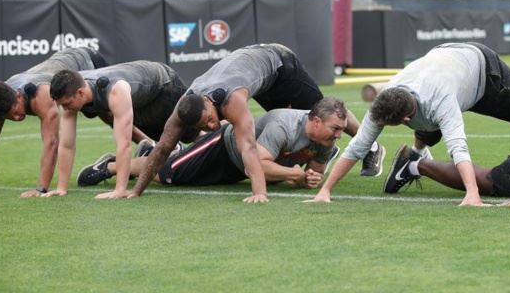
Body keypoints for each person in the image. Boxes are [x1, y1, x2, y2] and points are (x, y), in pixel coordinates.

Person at [309, 42, 510, 206]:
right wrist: (325, 191)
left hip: (484, 73)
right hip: (444, 61)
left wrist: (472, 193)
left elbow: (458, 147)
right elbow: (357, 147)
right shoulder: (386, 99)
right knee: (429, 125)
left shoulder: (440, 100)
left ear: (405, 120)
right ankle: (415, 158)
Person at [130, 43, 384, 204]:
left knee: (325, 112)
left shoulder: (232, 100)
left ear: (209, 104)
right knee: (300, 128)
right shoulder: (183, 109)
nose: (211, 126)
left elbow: (250, 147)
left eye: (209, 120)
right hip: (256, 77)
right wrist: (134, 192)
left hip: (278, 64)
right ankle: (122, 165)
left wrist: (259, 192)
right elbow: (163, 146)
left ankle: (370, 147)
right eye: (204, 126)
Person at [76, 98, 346, 195]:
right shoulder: (283, 125)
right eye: (335, 129)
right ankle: (110, 166)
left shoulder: (325, 140)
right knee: (167, 175)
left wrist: (305, 180)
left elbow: (311, 177)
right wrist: (295, 174)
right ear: (315, 120)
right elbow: (261, 167)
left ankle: (158, 152)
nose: (338, 136)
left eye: (341, 131)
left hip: (239, 168)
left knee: (174, 172)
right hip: (222, 147)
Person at [0, 47, 107, 197]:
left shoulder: (40, 95)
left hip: (85, 60)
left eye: (16, 111)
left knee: (109, 113)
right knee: (106, 114)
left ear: (18, 96)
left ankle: (139, 146)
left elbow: (51, 142)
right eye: (10, 117)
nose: (17, 118)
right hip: (63, 62)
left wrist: (40, 189)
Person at [43, 60, 187, 199]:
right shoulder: (73, 89)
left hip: (164, 86)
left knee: (189, 134)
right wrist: (61, 188)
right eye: (61, 105)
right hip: (139, 97)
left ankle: (148, 151)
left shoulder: (114, 91)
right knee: (163, 140)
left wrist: (120, 190)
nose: (65, 109)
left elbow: (124, 143)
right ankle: (147, 151)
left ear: (81, 93)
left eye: (67, 104)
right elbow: (67, 145)